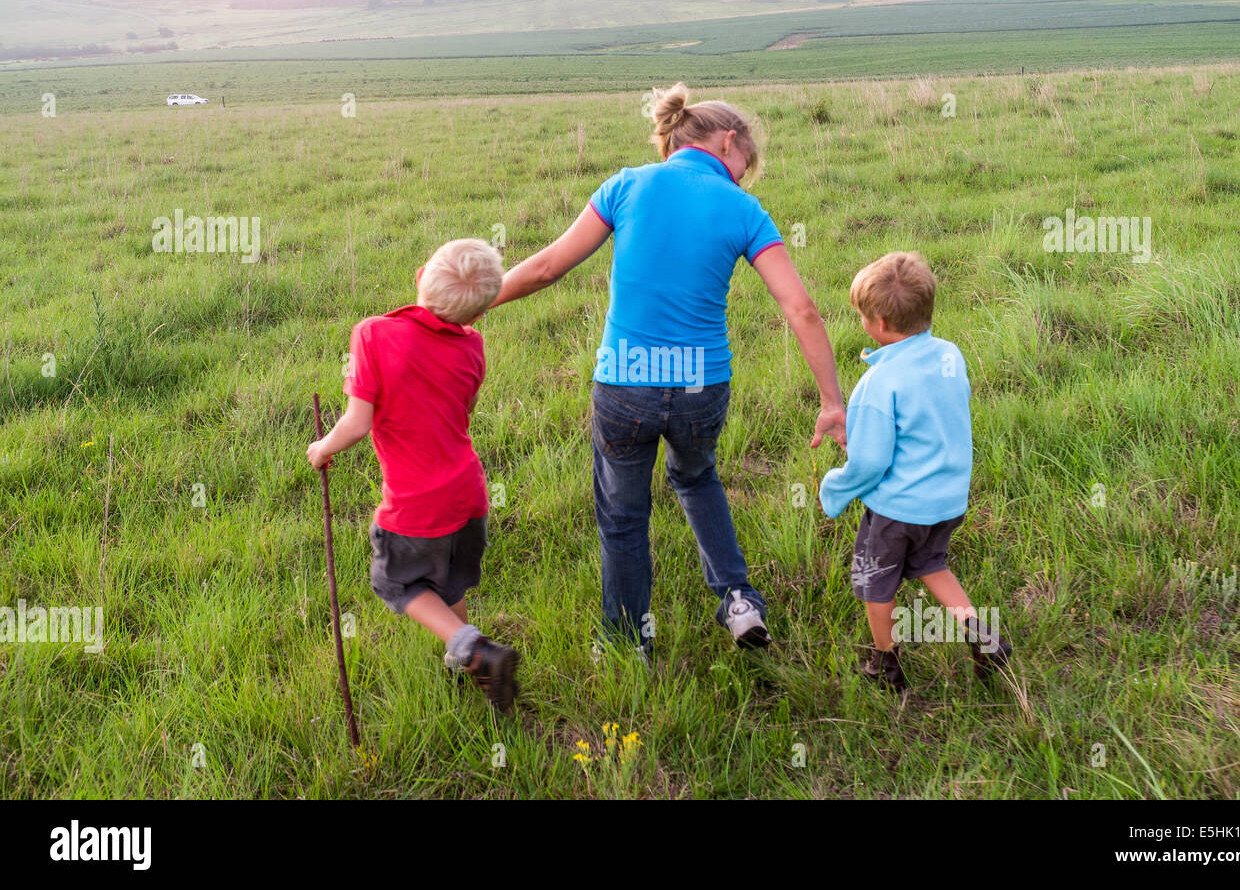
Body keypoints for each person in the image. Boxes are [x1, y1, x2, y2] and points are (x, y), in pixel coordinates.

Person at [489, 82, 847, 658]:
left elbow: (546, 268)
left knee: (624, 517)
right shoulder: (741, 207)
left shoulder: (626, 185)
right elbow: (800, 308)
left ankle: (630, 642)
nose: (740, 178)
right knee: (697, 477)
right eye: (742, 166)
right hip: (702, 390)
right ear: (729, 142)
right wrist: (832, 402)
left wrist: (475, 303)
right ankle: (738, 600)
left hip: (624, 387)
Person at [306, 239, 521, 712]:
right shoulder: (474, 347)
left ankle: (474, 649)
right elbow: (463, 409)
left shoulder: (372, 335)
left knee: (396, 584)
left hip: (415, 504)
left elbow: (357, 423)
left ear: (421, 275)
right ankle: (462, 657)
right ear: (478, 315)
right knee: (451, 582)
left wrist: (321, 449)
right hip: (468, 493)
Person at [819, 251, 1011, 694]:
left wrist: (836, 487)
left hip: (898, 509)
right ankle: (984, 636)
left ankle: (885, 663)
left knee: (875, 582)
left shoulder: (878, 383)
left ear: (880, 325)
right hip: (947, 501)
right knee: (930, 562)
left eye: (863, 316)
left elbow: (870, 463)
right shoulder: (951, 355)